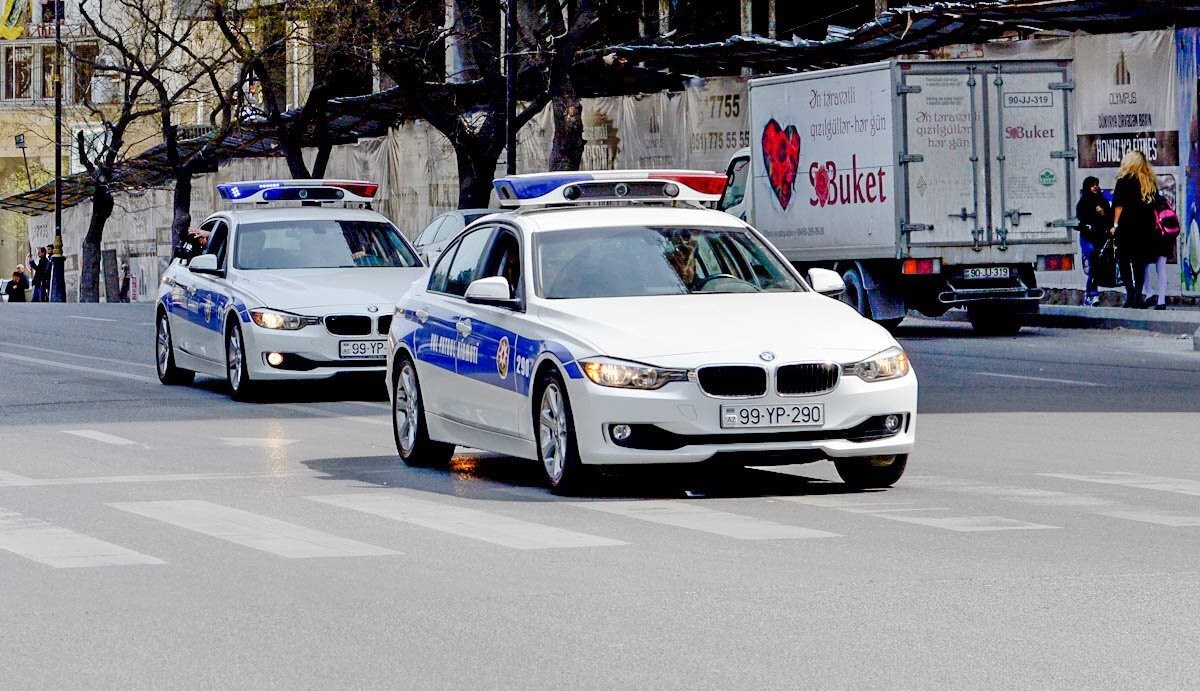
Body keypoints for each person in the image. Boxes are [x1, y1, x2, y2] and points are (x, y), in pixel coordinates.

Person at [1112, 150, 1157, 308]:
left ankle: (1130, 294)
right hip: (1145, 227)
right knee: (1139, 262)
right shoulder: (1149, 181)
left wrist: (1115, 225)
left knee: (1124, 260)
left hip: (1126, 227)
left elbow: (1118, 206)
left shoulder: (1124, 180)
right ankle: (1138, 294)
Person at [1075, 176, 1111, 306]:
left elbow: (1109, 219)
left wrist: (1103, 213)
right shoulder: (1083, 203)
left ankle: (1088, 296)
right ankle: (1093, 295)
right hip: (1087, 238)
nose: (1095, 187)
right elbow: (1080, 219)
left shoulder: (1104, 202)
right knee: (1094, 262)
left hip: (1100, 239)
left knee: (1095, 266)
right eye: (1092, 185)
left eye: (1096, 184)